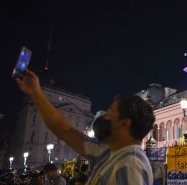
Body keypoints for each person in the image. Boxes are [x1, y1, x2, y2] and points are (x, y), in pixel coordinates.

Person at [15, 70, 155, 184]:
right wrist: (36, 93)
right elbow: (65, 130)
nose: (104, 117)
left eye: (110, 112)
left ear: (125, 124)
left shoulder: (131, 165)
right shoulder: (107, 151)